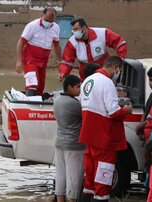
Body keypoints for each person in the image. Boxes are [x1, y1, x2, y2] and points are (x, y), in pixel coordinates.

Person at [79, 56, 132, 201]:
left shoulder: (87, 81)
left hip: (89, 137)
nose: (119, 73)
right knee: (103, 181)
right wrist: (127, 110)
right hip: (104, 139)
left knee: (89, 181)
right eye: (119, 70)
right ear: (116, 67)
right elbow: (114, 112)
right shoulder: (107, 82)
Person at [59, 18, 127, 81]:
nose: (74, 32)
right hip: (85, 74)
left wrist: (120, 60)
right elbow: (67, 60)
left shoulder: (102, 33)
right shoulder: (72, 41)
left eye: (76, 29)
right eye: (73, 30)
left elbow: (120, 43)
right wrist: (63, 72)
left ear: (84, 27)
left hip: (103, 70)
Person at [16, 7, 62, 96]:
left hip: (43, 60)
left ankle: (38, 103)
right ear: (42, 15)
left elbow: (57, 45)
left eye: (51, 21)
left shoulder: (56, 28)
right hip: (30, 58)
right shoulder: (32, 26)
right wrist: (19, 61)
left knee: (41, 85)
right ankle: (30, 103)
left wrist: (62, 61)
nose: (48, 23)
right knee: (32, 82)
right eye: (46, 20)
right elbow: (20, 43)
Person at [53, 75, 85, 202]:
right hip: (74, 145)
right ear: (70, 87)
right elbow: (86, 116)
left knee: (60, 176)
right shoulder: (74, 104)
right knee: (74, 178)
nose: (80, 90)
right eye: (78, 87)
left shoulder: (58, 100)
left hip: (60, 142)